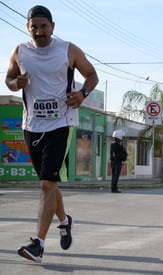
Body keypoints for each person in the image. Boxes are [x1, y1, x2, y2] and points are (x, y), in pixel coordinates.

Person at [5, 5, 98, 263]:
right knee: (48, 183)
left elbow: (92, 75)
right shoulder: (20, 51)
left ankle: (38, 244)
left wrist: (82, 94)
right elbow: (9, 79)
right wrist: (16, 84)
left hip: (61, 123)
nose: (39, 31)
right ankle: (65, 220)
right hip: (31, 125)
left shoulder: (68, 50)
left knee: (47, 183)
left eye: (44, 26)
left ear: (53, 27)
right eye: (34, 27)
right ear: (28, 28)